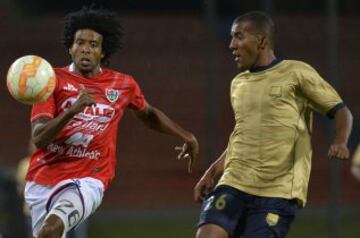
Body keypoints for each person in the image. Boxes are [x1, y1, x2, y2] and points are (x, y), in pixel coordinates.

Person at [24, 6, 199, 238]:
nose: (85, 49)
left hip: (89, 179)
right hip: (42, 180)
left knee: (50, 231)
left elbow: (148, 114)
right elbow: (39, 138)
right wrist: (72, 110)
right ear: (70, 47)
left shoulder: (122, 84)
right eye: (80, 43)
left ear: (103, 52)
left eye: (93, 45)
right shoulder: (50, 81)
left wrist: (185, 135)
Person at [194, 11, 353, 238]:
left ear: (261, 41)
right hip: (235, 181)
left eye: (238, 36)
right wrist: (212, 170)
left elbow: (341, 112)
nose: (231, 45)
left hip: (277, 191)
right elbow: (244, 134)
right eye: (231, 37)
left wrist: (341, 141)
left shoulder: (296, 72)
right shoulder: (238, 83)